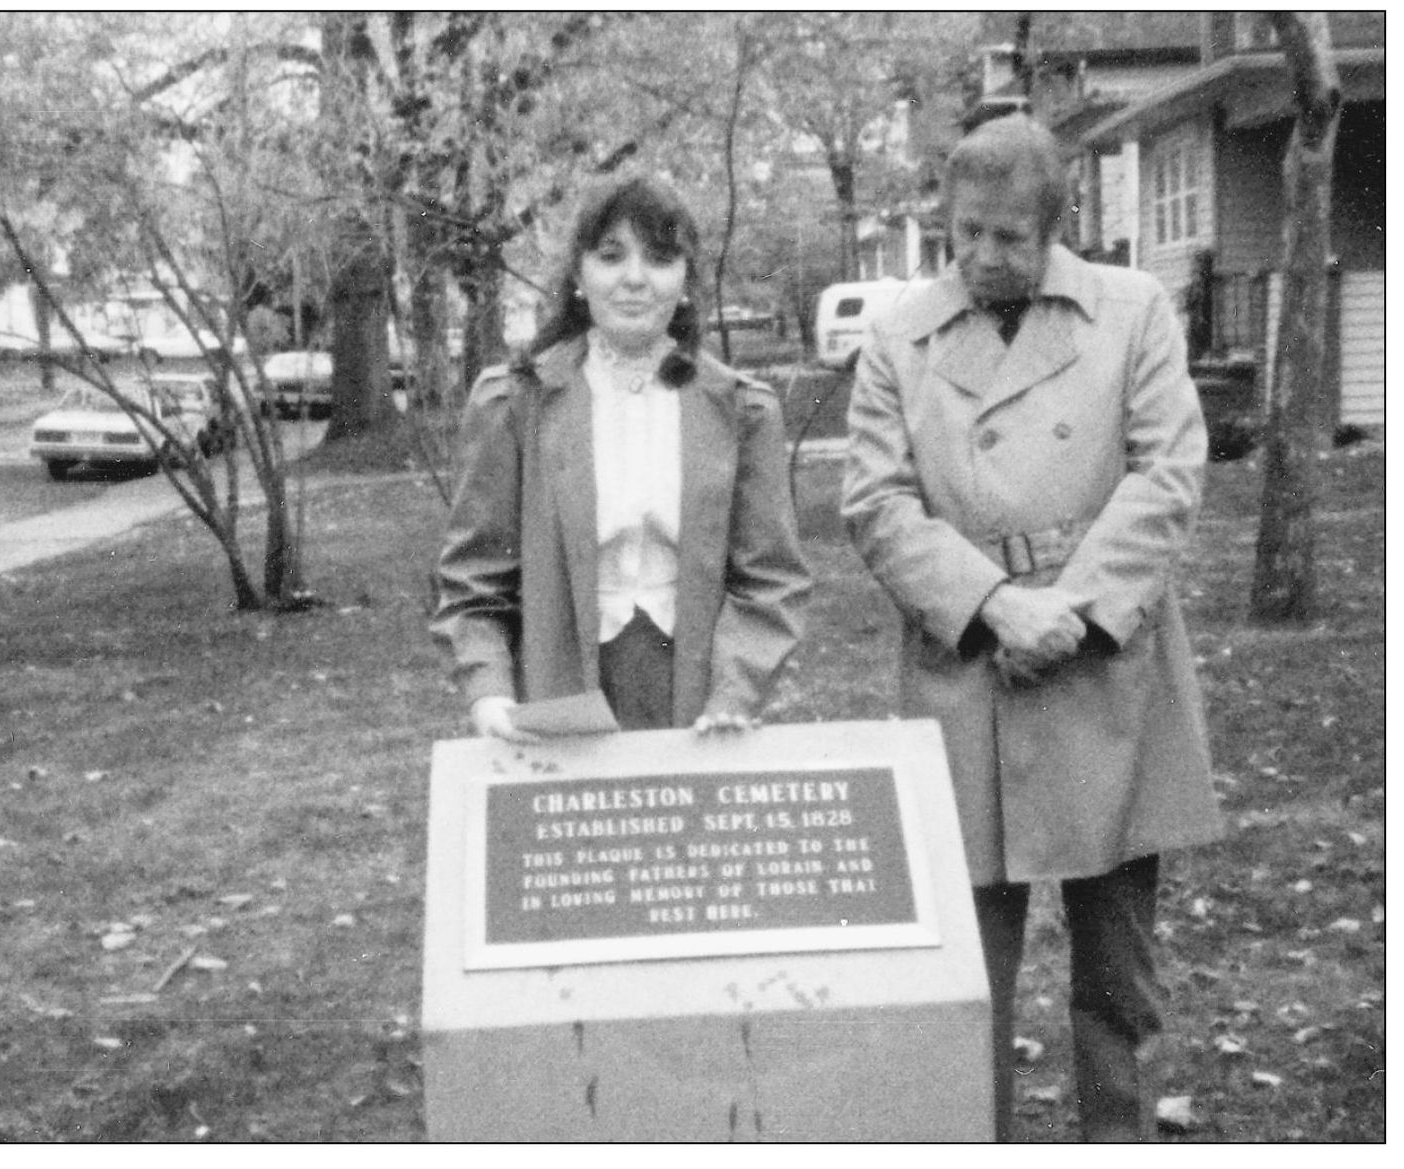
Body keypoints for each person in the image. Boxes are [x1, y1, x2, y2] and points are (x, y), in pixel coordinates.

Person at [839, 114, 1225, 1142]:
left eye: (1009, 235)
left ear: (1057, 225)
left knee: (1119, 983)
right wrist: (994, 603)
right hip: (968, 674)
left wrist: (1078, 609)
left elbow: (1170, 470)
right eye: (965, 232)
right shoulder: (899, 338)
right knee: (968, 981)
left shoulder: (1134, 311)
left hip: (1111, 668)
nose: (982, 256)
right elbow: (876, 502)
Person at [432, 175, 810, 739]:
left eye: (659, 259)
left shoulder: (740, 410)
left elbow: (771, 582)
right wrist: (489, 692)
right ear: (579, 275)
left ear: (686, 279)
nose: (635, 279)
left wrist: (735, 692)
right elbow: (473, 581)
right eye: (611, 257)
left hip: (694, 696)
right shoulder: (516, 403)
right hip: (556, 689)